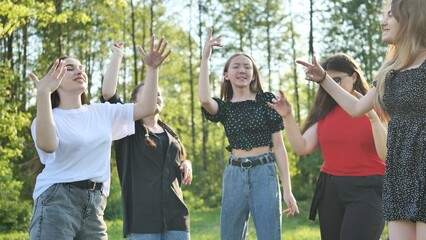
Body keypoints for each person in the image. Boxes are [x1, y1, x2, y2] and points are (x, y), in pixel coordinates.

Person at [296, 0, 426, 239]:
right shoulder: (391, 70)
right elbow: (356, 108)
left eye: (390, 16)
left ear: (411, 19)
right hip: (400, 175)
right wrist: (324, 78)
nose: (382, 22)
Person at [27, 36, 162, 239]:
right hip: (57, 202)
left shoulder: (102, 112)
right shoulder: (47, 118)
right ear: (54, 77)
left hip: (95, 205)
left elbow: (147, 107)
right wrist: (43, 93)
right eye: (69, 68)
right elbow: (47, 145)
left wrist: (152, 70)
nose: (79, 70)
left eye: (81, 67)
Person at [268, 53, 387, 239]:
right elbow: (302, 147)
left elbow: (389, 149)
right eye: (327, 81)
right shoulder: (325, 112)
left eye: (337, 79)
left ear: (354, 77)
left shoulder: (376, 107)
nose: (331, 86)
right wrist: (287, 116)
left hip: (369, 190)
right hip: (331, 189)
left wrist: (372, 117)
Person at [198, 28, 299, 240]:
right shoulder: (224, 108)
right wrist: (205, 57)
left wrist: (287, 190)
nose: (242, 70)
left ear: (253, 74)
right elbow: (205, 99)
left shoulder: (266, 101)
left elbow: (279, 147)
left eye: (247, 66)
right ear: (226, 75)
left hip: (264, 172)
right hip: (234, 175)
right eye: (236, 66)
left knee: (270, 235)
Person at [101, 38, 192, 240]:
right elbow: (108, 94)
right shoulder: (128, 128)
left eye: (159, 94)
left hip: (176, 218)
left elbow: (174, 162)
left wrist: (186, 162)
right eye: (152, 93)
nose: (156, 97)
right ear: (134, 102)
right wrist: (117, 56)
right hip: (142, 222)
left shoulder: (170, 133)